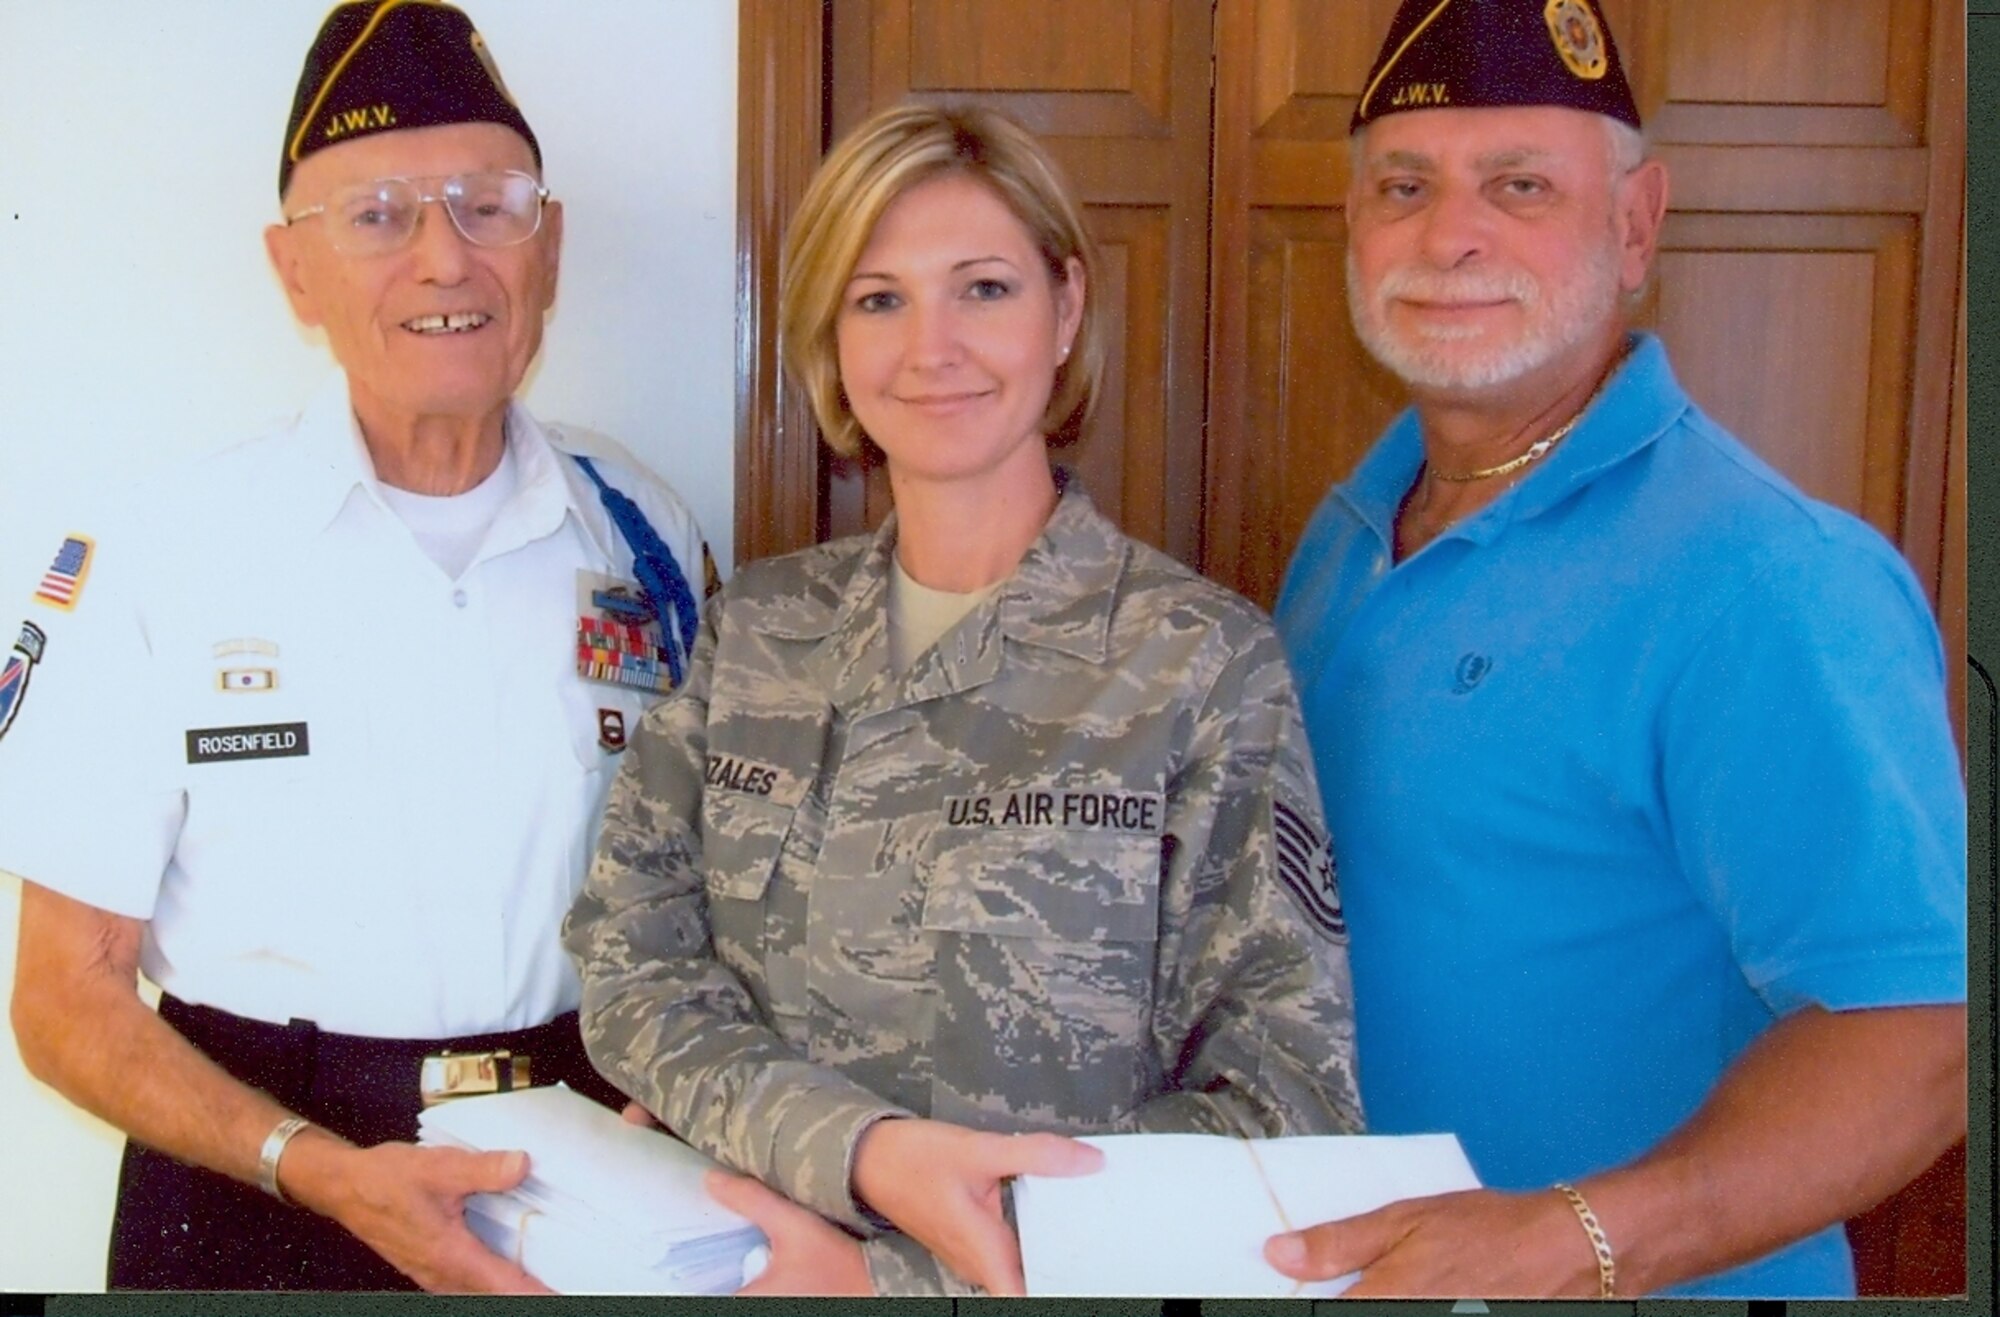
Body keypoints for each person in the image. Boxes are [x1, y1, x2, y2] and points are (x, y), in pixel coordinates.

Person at [565, 102, 1363, 1298]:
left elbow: (1283, 1106)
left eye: (982, 288)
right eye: (878, 298)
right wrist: (863, 1156)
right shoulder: (758, 635)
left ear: (1066, 311)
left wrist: (892, 1283)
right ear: (830, 343)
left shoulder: (1198, 667)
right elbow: (630, 969)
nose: (930, 346)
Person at [1, 0, 710, 1292]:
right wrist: (312, 1162)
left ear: (547, 247)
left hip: (584, 1181)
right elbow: (60, 996)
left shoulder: (644, 538)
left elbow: (715, 900)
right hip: (253, 1182)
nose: (446, 259)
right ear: (293, 270)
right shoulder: (161, 551)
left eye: (488, 204)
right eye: (380, 214)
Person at [1265, 0, 1967, 1300]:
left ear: (1636, 225)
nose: (1448, 234)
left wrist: (1567, 1238)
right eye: (1402, 186)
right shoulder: (1353, 530)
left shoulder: (1767, 580)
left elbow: (1922, 1035)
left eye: (1519, 184)